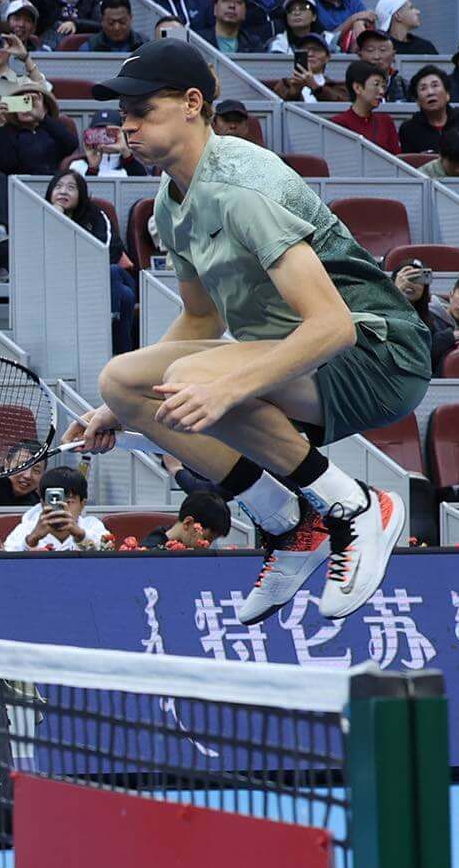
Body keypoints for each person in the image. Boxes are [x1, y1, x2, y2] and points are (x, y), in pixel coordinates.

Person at [75, 41, 423, 626]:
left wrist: (226, 387)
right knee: (123, 379)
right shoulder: (170, 202)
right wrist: (121, 407)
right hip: (298, 363)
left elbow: (333, 326)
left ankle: (358, 507)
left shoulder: (242, 187)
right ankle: (288, 526)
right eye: (123, 114)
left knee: (192, 380)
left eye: (141, 111)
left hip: (378, 353)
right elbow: (201, 320)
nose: (125, 126)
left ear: (192, 103)